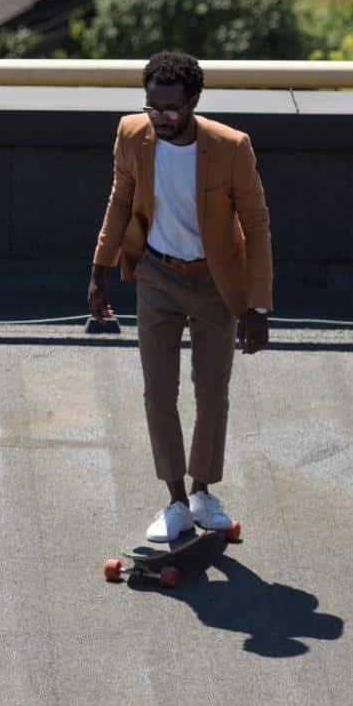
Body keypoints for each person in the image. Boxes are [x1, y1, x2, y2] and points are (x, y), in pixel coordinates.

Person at [86, 51, 272, 543]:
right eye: (152, 106)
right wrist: (100, 269)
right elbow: (120, 199)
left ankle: (202, 492)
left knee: (211, 392)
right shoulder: (132, 135)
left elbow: (255, 224)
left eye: (170, 108)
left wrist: (256, 306)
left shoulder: (230, 147)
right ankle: (174, 500)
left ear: (193, 102)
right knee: (158, 390)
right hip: (156, 275)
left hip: (214, 282)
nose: (160, 117)